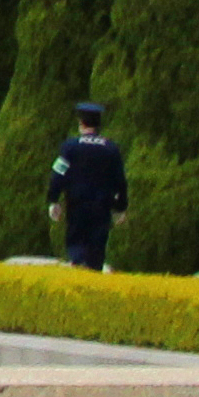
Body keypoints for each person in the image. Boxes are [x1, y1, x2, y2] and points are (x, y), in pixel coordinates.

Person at [47, 100, 130, 273]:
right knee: (96, 249)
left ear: (81, 123)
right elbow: (120, 181)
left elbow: (58, 174)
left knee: (76, 245)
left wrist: (53, 200)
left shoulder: (70, 147)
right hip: (101, 207)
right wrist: (120, 208)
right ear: (99, 124)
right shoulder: (111, 148)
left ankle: (79, 270)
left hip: (77, 205)